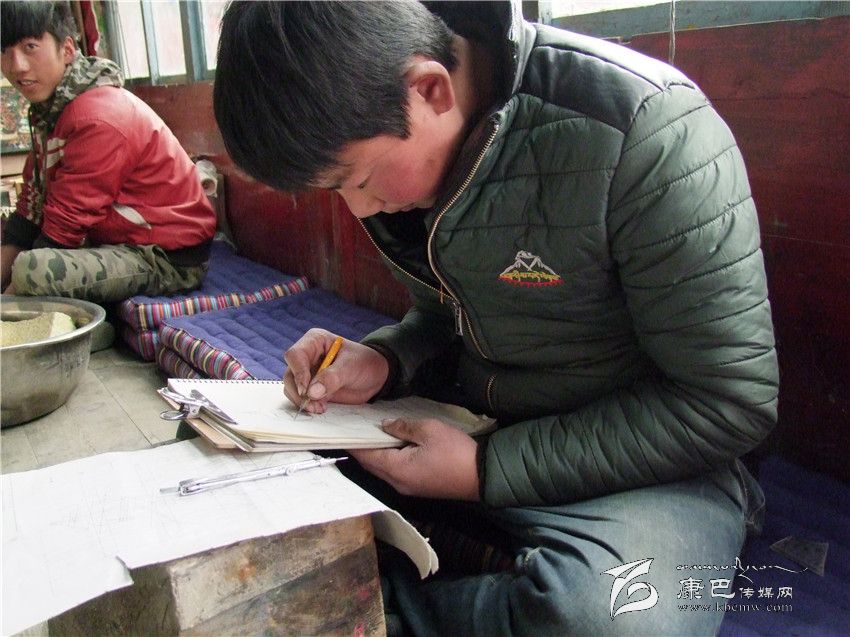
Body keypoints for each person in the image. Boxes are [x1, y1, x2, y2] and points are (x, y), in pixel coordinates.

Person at [213, 2, 779, 635]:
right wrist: (387, 360)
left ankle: (365, 612)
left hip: (642, 459)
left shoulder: (646, 129)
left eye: (362, 179)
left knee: (609, 620)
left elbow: (726, 403)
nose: (360, 208)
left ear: (430, 90)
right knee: (241, 464)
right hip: (470, 419)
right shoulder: (408, 135)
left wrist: (486, 469)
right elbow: (446, 314)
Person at [0, 1, 216, 307]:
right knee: (19, 257)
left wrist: (7, 304)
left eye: (30, 47)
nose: (17, 66)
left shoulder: (98, 116)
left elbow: (64, 229)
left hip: (166, 257)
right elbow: (30, 210)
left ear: (67, 50)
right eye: (4, 51)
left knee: (33, 270)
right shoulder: (49, 113)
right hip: (119, 242)